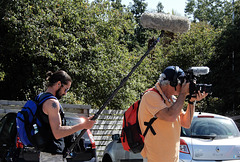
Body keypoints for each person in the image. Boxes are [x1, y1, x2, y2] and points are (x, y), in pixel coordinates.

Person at [138, 66, 208, 162]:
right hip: (154, 158)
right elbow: (170, 116)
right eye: (182, 83)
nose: (184, 86)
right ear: (172, 83)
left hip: (173, 158)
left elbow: (186, 123)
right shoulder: (150, 96)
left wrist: (191, 102)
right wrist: (183, 94)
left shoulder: (172, 99)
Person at [37, 70, 96, 162]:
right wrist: (83, 125)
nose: (65, 93)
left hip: (47, 155)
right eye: (66, 89)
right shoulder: (52, 103)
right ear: (59, 84)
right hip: (52, 157)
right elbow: (57, 133)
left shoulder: (41, 98)